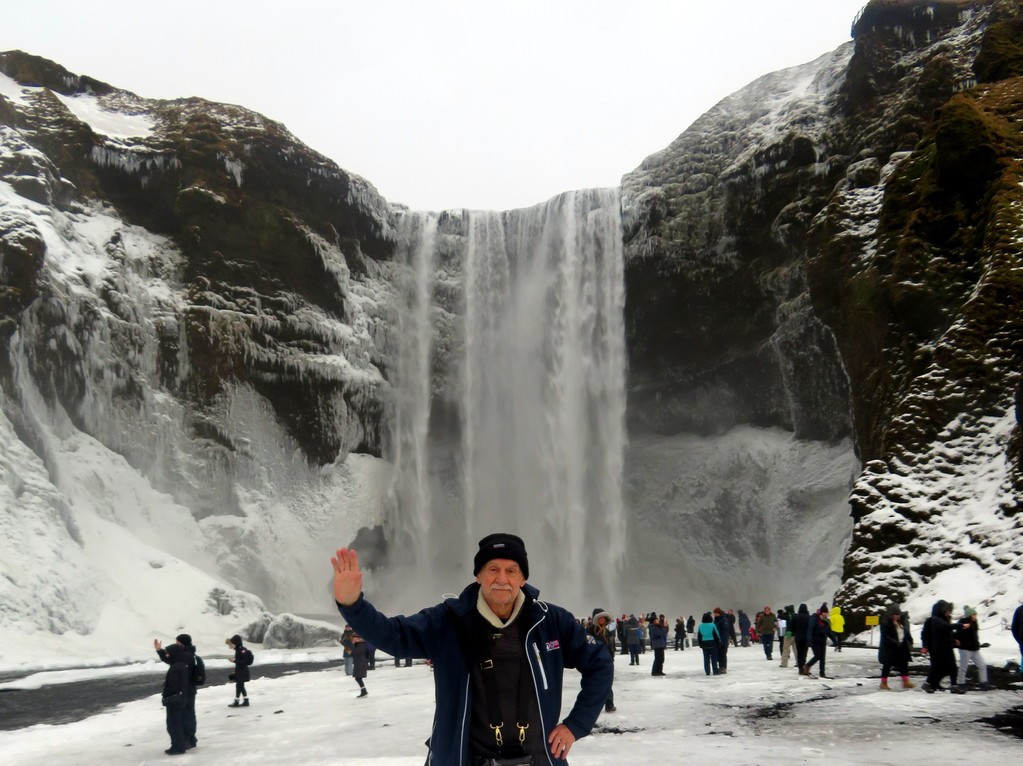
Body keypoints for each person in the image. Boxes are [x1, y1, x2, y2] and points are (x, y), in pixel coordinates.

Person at [331, 533, 612, 765]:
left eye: (511, 571)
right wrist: (352, 605)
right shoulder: (449, 621)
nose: (502, 578)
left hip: (540, 760)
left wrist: (576, 725)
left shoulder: (550, 621)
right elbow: (395, 635)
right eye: (493, 569)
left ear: (522, 579)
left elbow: (599, 662)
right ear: (478, 575)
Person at [155, 634, 199, 750]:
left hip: (185, 690)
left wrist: (162, 652)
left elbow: (172, 659)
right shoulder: (188, 654)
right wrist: (160, 650)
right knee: (188, 714)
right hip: (188, 689)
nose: (176, 644)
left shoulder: (186, 656)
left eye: (177, 642)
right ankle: (190, 739)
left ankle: (187, 740)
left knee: (185, 716)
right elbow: (171, 658)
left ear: (182, 643)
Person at [921, 599, 958, 693]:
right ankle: (930, 684)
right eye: (947, 610)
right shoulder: (931, 621)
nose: (949, 612)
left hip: (946, 646)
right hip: (935, 647)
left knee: (948, 667)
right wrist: (925, 646)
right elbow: (925, 634)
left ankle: (937, 684)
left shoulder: (945, 620)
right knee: (937, 667)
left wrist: (953, 640)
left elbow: (948, 632)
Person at [160, 642, 191, 755]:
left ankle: (178, 747)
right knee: (176, 723)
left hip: (174, 700)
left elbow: (172, 686)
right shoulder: (181, 664)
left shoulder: (175, 668)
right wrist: (160, 650)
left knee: (173, 724)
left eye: (168, 653)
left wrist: (166, 696)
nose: (167, 655)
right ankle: (178, 745)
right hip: (179, 699)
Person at [954, 606, 991, 692]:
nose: (975, 616)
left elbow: (975, 635)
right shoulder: (962, 622)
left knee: (982, 665)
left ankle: (983, 682)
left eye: (975, 614)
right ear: (969, 615)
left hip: (974, 648)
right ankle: (961, 683)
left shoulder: (975, 623)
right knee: (963, 667)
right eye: (973, 615)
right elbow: (957, 634)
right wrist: (961, 640)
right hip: (965, 648)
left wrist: (977, 644)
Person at [878, 604, 914, 690]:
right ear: (891, 614)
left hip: (901, 646)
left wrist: (909, 639)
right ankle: (883, 683)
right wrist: (895, 642)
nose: (897, 616)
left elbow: (904, 631)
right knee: (887, 665)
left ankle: (905, 681)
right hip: (890, 647)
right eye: (895, 615)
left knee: (904, 663)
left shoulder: (900, 621)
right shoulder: (885, 623)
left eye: (898, 615)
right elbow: (885, 636)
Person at [589, 609, 617, 712]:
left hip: (607, 660)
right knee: (598, 683)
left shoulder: (607, 631)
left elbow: (610, 645)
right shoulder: (592, 631)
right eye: (599, 618)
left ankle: (608, 704)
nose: (601, 620)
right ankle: (604, 704)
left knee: (606, 683)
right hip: (598, 661)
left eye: (603, 618)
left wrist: (611, 656)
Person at [802, 605, 833, 678]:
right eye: (824, 612)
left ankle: (822, 673)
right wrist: (809, 640)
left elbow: (829, 632)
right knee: (817, 656)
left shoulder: (827, 621)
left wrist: (835, 641)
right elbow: (810, 629)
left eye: (826, 612)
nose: (825, 614)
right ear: (821, 613)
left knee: (823, 657)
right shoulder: (814, 618)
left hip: (822, 640)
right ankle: (807, 666)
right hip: (815, 640)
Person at [226, 634, 252, 707]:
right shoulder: (239, 650)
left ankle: (237, 701)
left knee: (239, 686)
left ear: (236, 643)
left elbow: (244, 661)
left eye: (232, 644)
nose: (230, 646)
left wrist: (234, 660)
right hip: (241, 671)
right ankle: (245, 701)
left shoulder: (241, 650)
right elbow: (241, 661)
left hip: (242, 671)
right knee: (240, 686)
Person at [791, 603, 811, 674]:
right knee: (804, 652)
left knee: (799, 652)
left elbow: (792, 627)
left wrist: (795, 633)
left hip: (798, 637)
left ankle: (800, 668)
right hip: (806, 637)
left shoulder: (795, 617)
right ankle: (803, 666)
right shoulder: (809, 617)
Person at [713, 608, 730, 673]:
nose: (715, 614)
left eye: (716, 613)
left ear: (719, 613)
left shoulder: (724, 620)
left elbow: (725, 631)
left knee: (723, 654)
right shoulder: (716, 620)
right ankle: (720, 667)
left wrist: (722, 640)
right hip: (717, 640)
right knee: (719, 654)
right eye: (714, 613)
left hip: (723, 640)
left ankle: (723, 667)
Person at [1012, 598, 1023, 675]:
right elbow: (1014, 628)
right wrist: (1020, 641)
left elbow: (1014, 628)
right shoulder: (1019, 610)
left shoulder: (1018, 610)